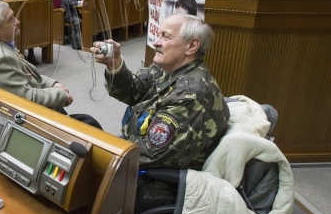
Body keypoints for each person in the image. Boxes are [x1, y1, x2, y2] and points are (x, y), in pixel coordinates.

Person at [93, 13, 230, 171]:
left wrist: (101, 151)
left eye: (165, 36)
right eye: (157, 35)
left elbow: (151, 155)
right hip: (133, 147)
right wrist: (115, 64)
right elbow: (132, 91)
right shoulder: (165, 68)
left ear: (192, 46)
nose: (156, 42)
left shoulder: (190, 95)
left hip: (156, 179)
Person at [0, 3, 73, 113]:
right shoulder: (1, 59)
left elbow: (28, 74)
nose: (17, 21)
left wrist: (52, 84)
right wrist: (60, 95)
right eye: (10, 19)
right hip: (35, 117)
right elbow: (27, 98)